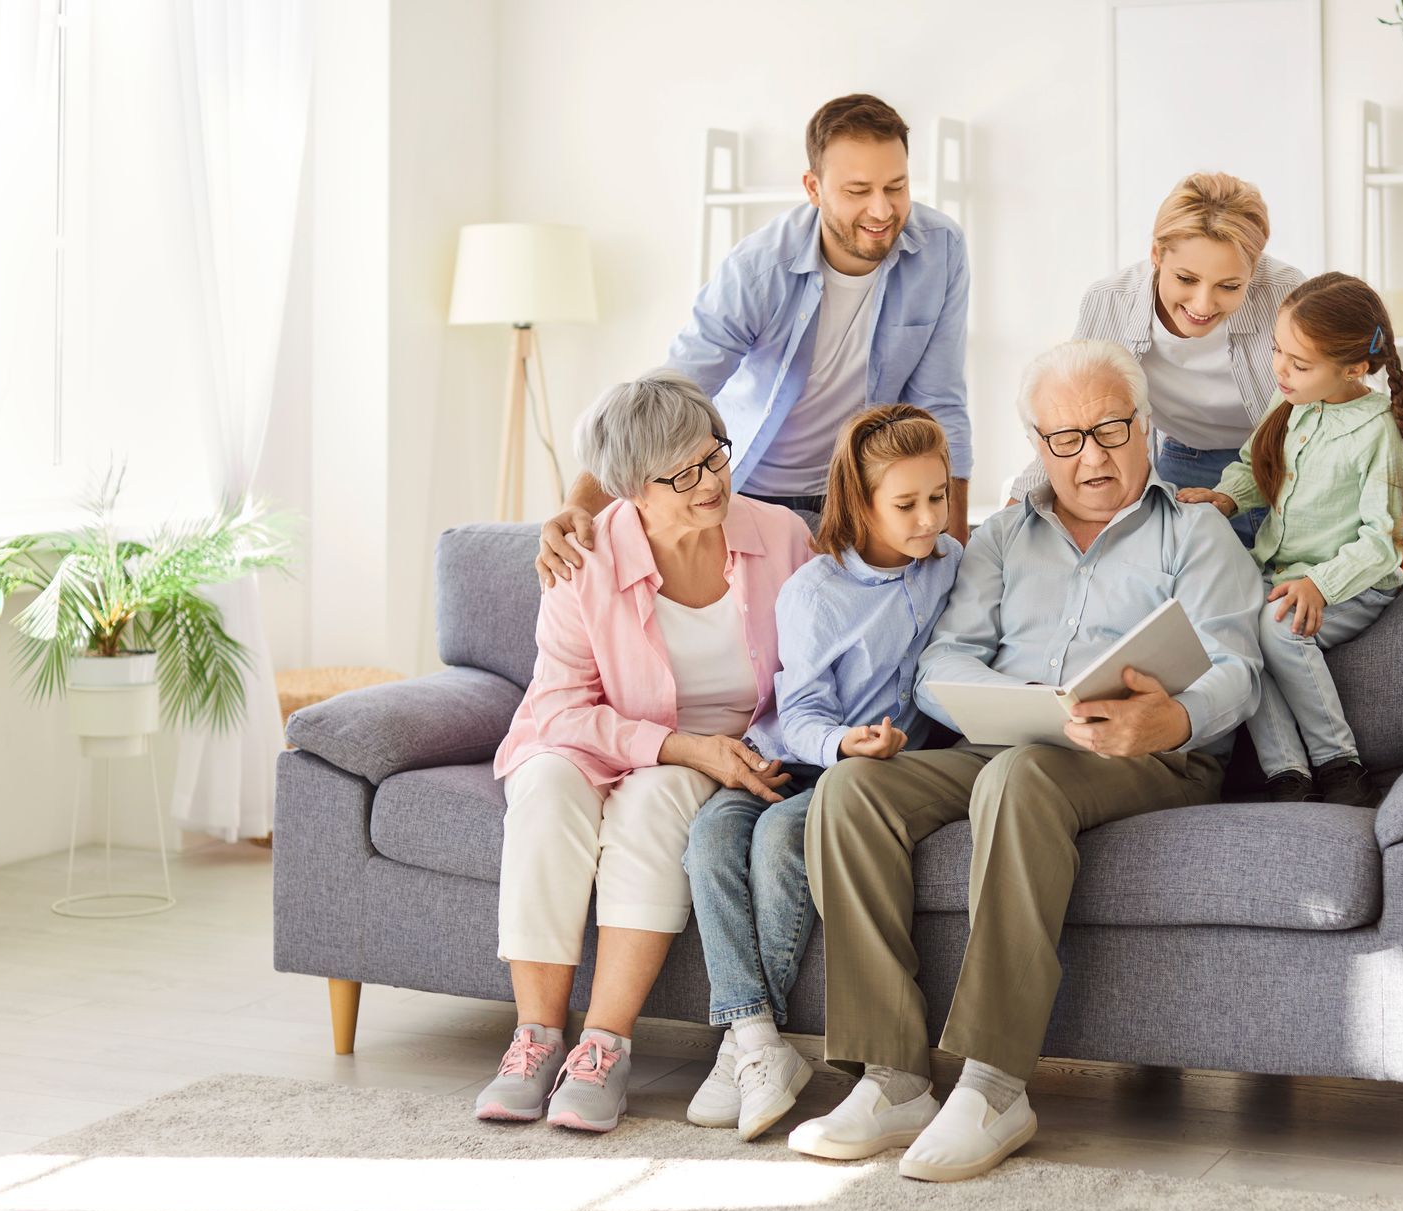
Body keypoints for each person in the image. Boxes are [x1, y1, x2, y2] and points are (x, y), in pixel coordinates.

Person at [788, 340, 1264, 1183]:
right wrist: (1005, 703)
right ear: (1038, 445)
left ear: (1146, 428)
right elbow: (944, 661)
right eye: (1066, 438)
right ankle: (893, 1076)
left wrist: (1173, 718)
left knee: (1019, 777)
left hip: (1149, 756)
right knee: (851, 791)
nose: (1093, 456)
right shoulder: (1003, 538)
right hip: (1010, 741)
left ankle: (996, 1083)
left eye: (1112, 429)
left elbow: (1239, 670)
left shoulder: (1194, 531)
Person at [473, 370, 812, 1131]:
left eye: (716, 457)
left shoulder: (782, 538)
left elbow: (816, 669)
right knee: (546, 789)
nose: (711, 483)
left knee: (657, 802)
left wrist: (710, 753)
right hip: (597, 736)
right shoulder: (583, 561)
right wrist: (673, 744)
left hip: (725, 749)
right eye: (682, 474)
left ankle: (605, 1046)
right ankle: (533, 1040)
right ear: (631, 490)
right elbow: (560, 707)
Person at [536, 93, 972, 587]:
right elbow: (672, 395)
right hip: (753, 495)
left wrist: (955, 555)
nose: (882, 209)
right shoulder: (758, 270)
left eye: (897, 186)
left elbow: (940, 404)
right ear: (813, 187)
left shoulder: (942, 250)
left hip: (862, 492)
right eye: (857, 190)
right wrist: (579, 504)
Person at [681, 403, 963, 1142]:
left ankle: (740, 1050)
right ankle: (755, 1041)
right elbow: (799, 709)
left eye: (938, 497)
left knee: (779, 840)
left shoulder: (955, 568)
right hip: (803, 754)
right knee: (710, 838)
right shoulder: (814, 591)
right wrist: (843, 744)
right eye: (906, 505)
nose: (929, 519)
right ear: (860, 503)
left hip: (867, 779)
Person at [1179, 272, 1403, 807]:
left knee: (1278, 631)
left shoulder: (1377, 432)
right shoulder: (1292, 408)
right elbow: (1255, 469)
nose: (1280, 369)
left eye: (1299, 364)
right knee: (1233, 629)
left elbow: (1381, 543)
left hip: (1351, 584)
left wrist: (1320, 586)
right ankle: (1288, 774)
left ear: (1354, 368)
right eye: (1277, 350)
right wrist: (1227, 498)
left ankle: (1339, 763)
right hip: (1279, 575)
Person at [1007, 172, 1304, 548]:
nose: (1203, 304)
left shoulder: (1284, 292)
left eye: (1229, 286)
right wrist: (1012, 517)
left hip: (1284, 459)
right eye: (1185, 278)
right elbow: (1071, 414)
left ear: (1255, 267)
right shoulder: (1111, 301)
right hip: (1187, 459)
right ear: (1156, 255)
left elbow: (1336, 396)